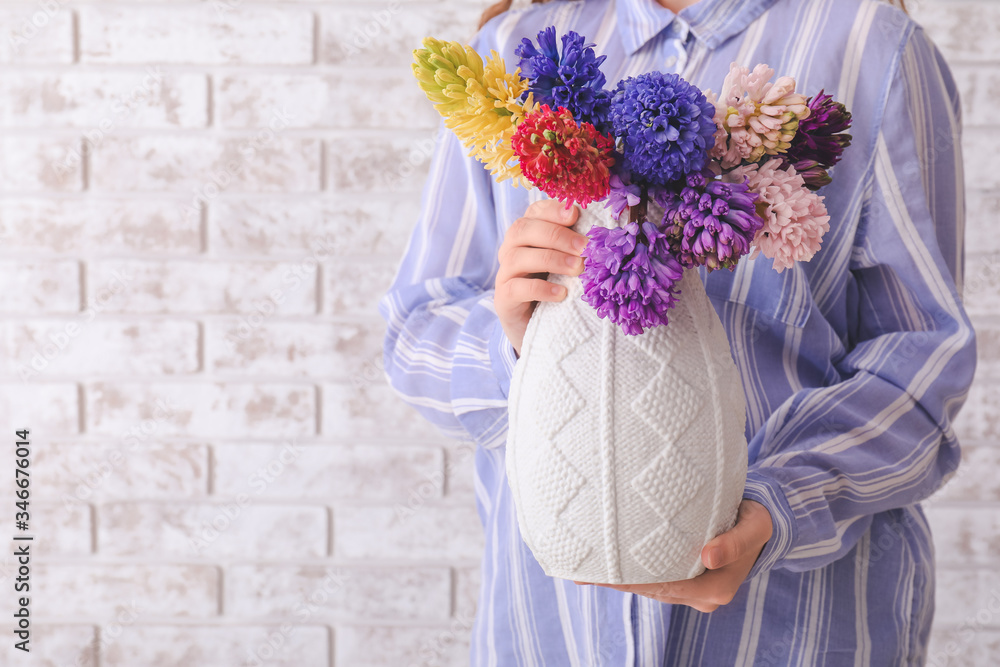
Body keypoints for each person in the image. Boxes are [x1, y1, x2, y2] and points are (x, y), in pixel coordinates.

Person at [377, 0, 978, 663]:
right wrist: (513, 340)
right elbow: (415, 332)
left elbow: (920, 367)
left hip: (795, 627)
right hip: (556, 633)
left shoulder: (871, 45)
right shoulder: (511, 52)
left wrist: (782, 503)